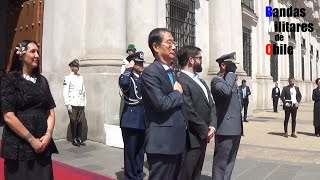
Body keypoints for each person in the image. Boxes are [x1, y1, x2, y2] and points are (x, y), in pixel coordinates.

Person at [1, 40, 58, 180]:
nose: (37, 55)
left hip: (43, 144)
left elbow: (50, 111)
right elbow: (8, 116)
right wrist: (32, 140)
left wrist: (48, 135)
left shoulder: (42, 81)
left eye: (38, 51)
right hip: (19, 146)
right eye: (33, 51)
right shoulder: (10, 80)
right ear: (21, 55)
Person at [141, 28, 186, 180]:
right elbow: (161, 104)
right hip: (163, 144)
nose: (174, 46)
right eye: (169, 42)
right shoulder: (150, 73)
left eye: (174, 43)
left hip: (177, 142)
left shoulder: (171, 72)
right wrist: (177, 93)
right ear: (156, 47)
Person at [177, 46, 217, 180]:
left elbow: (211, 105)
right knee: (186, 174)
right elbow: (189, 110)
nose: (202, 61)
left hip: (203, 136)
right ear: (191, 60)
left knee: (196, 173)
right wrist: (204, 130)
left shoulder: (200, 81)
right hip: (191, 138)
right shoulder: (181, 80)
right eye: (199, 58)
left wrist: (212, 126)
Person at [210, 52, 243, 180]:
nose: (235, 68)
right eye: (232, 65)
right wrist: (230, 74)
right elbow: (225, 92)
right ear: (223, 65)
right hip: (225, 128)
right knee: (221, 162)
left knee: (231, 161)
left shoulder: (230, 81)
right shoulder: (216, 81)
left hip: (235, 127)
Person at [119, 51, 146, 180]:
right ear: (132, 63)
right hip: (130, 121)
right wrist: (128, 68)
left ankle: (138, 174)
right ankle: (130, 176)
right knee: (130, 152)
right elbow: (124, 85)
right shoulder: (127, 77)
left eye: (142, 62)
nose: (142, 65)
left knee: (140, 151)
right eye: (139, 63)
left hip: (142, 120)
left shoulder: (143, 78)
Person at [63, 59, 87, 146]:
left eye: (78, 66)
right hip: (72, 102)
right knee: (73, 121)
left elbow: (83, 90)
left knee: (80, 121)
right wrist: (67, 104)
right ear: (71, 67)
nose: (77, 68)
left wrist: (84, 102)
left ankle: (79, 138)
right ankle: (74, 139)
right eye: (75, 66)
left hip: (80, 102)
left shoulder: (81, 77)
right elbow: (66, 91)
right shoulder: (68, 78)